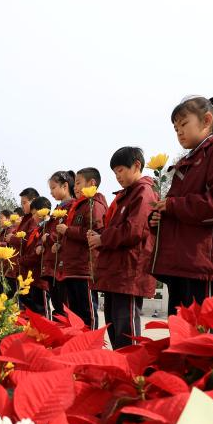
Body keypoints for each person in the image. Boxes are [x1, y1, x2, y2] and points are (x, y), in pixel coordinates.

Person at [148, 96, 213, 314]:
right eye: (175, 129)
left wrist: (173, 206)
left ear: (206, 121)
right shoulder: (189, 160)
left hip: (204, 261)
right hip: (184, 261)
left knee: (199, 336)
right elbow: (176, 207)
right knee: (181, 334)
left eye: (183, 124)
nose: (179, 132)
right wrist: (159, 218)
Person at [88, 147, 157, 348]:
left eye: (120, 170)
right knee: (114, 324)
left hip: (130, 271)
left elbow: (134, 230)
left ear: (136, 165)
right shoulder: (126, 195)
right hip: (117, 271)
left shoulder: (143, 192)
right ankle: (119, 370)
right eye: (115, 172)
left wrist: (103, 239)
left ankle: (131, 373)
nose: (117, 176)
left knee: (126, 329)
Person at [56, 168, 108, 328]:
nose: (75, 187)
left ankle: (91, 345)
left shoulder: (94, 205)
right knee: (75, 314)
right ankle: (77, 345)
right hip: (73, 268)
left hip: (85, 269)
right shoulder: (79, 206)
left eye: (78, 183)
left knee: (87, 312)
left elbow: (96, 234)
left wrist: (68, 230)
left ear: (92, 183)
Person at [42, 170, 76, 319]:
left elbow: (63, 231)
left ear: (65, 186)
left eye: (53, 188)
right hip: (52, 263)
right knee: (57, 305)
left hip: (63, 264)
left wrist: (50, 238)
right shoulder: (58, 208)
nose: (51, 192)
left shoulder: (73, 206)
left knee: (66, 308)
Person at [21, 196, 52, 315]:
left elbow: (38, 253)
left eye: (34, 214)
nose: (33, 217)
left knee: (42, 311)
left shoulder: (48, 227)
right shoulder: (38, 229)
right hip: (33, 276)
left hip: (41, 277)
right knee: (34, 311)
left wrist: (23, 260)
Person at [5, 189, 38, 299]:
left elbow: (29, 240)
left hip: (30, 268)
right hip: (21, 267)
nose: (23, 206)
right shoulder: (26, 220)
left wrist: (12, 239)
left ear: (34, 201)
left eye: (24, 203)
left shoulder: (34, 219)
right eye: (22, 203)